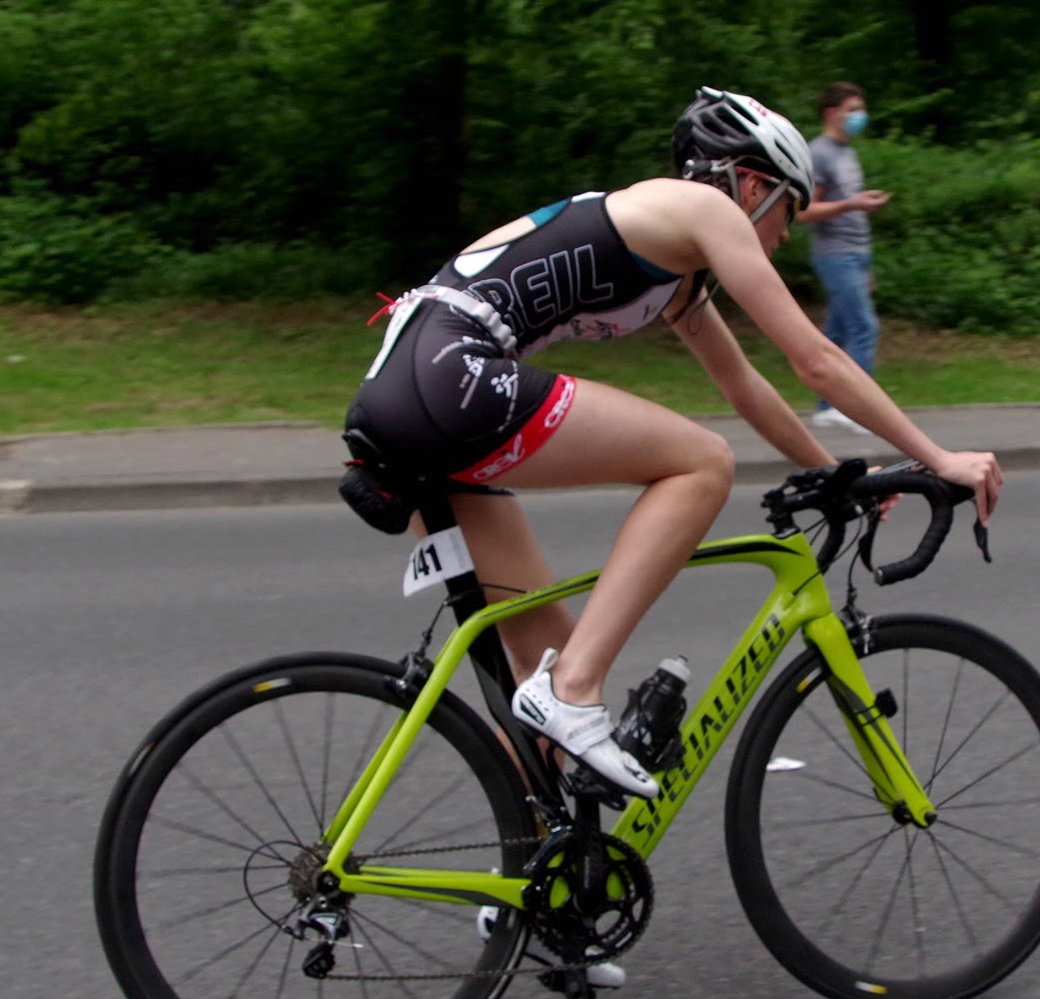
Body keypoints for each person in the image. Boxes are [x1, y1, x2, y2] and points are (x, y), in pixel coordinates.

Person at [343, 86, 1001, 803]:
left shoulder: (676, 268)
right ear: (750, 183)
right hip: (451, 378)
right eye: (789, 207)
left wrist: (837, 473)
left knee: (542, 659)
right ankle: (577, 690)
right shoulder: (704, 208)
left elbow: (744, 385)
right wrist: (938, 457)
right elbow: (817, 360)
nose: (787, 233)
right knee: (701, 462)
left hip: (405, 393)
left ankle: (531, 888)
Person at [797, 82, 891, 434]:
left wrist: (866, 263)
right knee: (865, 328)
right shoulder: (818, 153)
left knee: (836, 332)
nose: (858, 116)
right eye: (852, 109)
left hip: (856, 254)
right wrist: (853, 203)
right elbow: (804, 211)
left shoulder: (846, 151)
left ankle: (826, 408)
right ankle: (859, 410)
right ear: (831, 113)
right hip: (835, 255)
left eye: (860, 109)